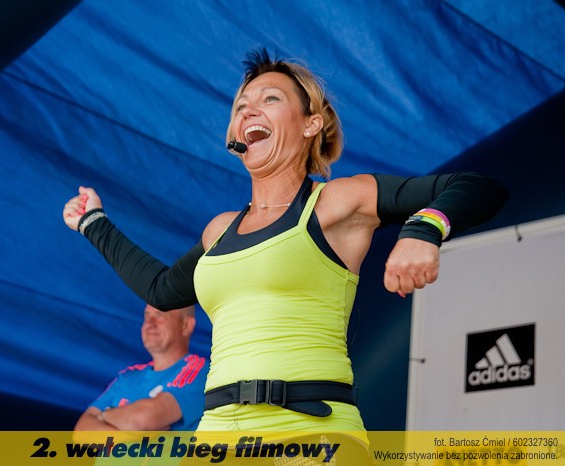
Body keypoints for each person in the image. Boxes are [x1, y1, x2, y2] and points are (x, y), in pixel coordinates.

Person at [63, 49, 507, 441]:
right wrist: (93, 223)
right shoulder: (219, 230)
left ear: (312, 123)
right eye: (241, 106)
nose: (249, 110)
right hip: (215, 439)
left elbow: (478, 186)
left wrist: (423, 230)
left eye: (270, 99)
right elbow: (161, 289)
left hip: (310, 435)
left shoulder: (335, 202)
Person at [74, 303, 208, 432]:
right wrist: (128, 437)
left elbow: (145, 418)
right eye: (146, 316)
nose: (150, 323)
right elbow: (81, 430)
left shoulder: (202, 371)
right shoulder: (127, 376)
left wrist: (104, 415)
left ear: (186, 325)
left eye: (160, 315)